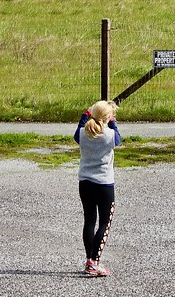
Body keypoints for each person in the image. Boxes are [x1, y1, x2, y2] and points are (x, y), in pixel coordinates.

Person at [74, 99, 122, 277]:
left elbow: (78, 130)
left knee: (89, 221)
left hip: (85, 182)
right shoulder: (109, 136)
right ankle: (95, 262)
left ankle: (89, 259)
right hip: (104, 184)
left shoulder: (82, 134)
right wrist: (113, 120)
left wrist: (85, 115)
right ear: (108, 118)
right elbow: (119, 137)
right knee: (104, 223)